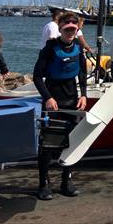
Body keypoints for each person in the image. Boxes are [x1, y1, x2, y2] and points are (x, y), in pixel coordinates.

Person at [33, 12, 87, 200]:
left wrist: (84, 96)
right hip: (53, 99)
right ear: (61, 28)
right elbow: (37, 76)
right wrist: (47, 97)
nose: (70, 32)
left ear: (77, 29)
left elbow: (81, 73)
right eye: (67, 29)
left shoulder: (79, 48)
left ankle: (67, 181)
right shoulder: (49, 48)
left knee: (71, 142)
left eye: (73, 29)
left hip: (72, 98)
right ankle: (43, 184)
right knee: (47, 144)